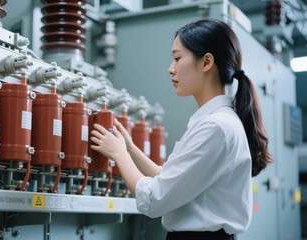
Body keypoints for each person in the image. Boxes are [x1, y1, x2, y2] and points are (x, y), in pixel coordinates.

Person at [90, 18, 272, 240]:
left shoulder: (215, 127)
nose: (170, 69)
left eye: (177, 58)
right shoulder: (217, 122)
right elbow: (169, 178)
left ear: (206, 62)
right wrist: (130, 149)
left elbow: (154, 199)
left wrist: (119, 154)